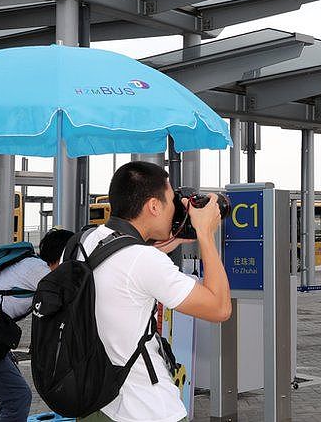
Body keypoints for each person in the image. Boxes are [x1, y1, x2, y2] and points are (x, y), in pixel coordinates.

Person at [76, 161, 231, 422]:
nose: (176, 208)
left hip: (94, 403)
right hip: (146, 410)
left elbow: (123, 267)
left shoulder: (88, 240)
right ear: (154, 206)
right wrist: (206, 233)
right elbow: (220, 308)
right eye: (172, 200)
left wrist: (174, 240)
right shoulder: (144, 261)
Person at [0, 228, 73, 422]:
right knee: (17, 397)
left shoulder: (31, 265)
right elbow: (70, 300)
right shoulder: (38, 270)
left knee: (13, 398)